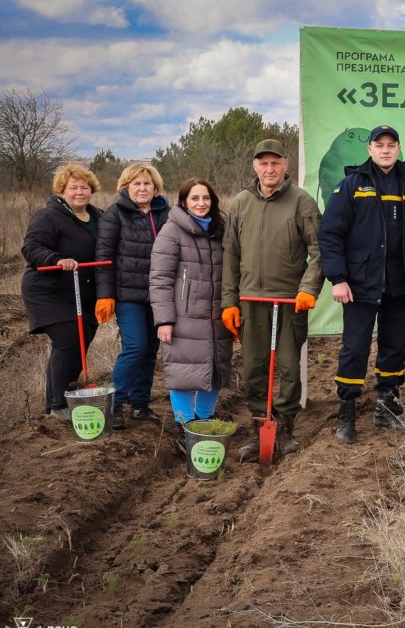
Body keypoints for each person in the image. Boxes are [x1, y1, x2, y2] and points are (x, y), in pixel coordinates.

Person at [320, 125, 405, 444]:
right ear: (370, 149)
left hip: (399, 286)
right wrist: (338, 278)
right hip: (361, 285)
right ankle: (347, 413)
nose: (386, 150)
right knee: (354, 349)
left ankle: (387, 409)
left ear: (398, 150)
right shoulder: (352, 185)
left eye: (392, 145)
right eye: (380, 145)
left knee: (394, 349)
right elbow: (330, 234)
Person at [222, 140, 323, 458]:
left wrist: (308, 288)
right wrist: (229, 302)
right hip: (251, 301)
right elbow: (230, 255)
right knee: (254, 368)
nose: (269, 169)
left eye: (275, 163)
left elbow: (319, 252)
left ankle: (287, 428)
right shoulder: (240, 203)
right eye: (263, 163)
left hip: (290, 301)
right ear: (254, 166)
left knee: (290, 368)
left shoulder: (302, 202)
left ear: (285, 166)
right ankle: (260, 428)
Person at [149, 178, 233, 435]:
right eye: (195, 198)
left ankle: (204, 421)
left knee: (216, 369)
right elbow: (160, 279)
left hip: (217, 314)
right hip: (184, 316)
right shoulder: (171, 231)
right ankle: (185, 426)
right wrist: (164, 320)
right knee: (183, 372)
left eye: (206, 198)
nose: (201, 203)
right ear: (184, 202)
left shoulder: (221, 229)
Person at [21, 164, 104, 420]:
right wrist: (56, 259)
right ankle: (57, 405)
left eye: (84, 187)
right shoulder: (48, 216)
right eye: (73, 187)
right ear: (62, 190)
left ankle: (66, 395)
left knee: (82, 340)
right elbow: (32, 247)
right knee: (69, 340)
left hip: (81, 290)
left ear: (92, 190)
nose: (80, 192)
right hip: (50, 290)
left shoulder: (98, 216)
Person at [95, 163, 170, 429]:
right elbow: (103, 256)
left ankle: (140, 404)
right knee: (135, 347)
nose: (142, 188)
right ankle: (114, 404)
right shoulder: (115, 213)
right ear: (126, 187)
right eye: (136, 183)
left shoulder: (165, 212)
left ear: (155, 187)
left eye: (147, 183)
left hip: (160, 295)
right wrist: (105, 294)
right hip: (128, 295)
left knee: (151, 349)